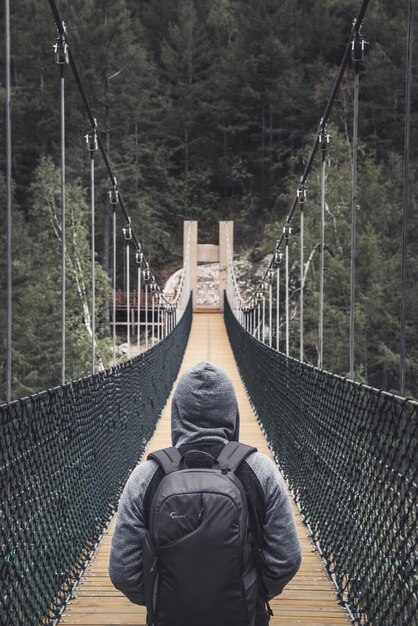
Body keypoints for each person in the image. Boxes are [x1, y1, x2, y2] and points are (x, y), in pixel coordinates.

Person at [109, 361, 302, 625]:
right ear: (233, 414)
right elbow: (286, 559)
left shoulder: (147, 476)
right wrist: (250, 593)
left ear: (176, 415)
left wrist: (160, 596)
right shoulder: (260, 470)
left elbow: (122, 572)